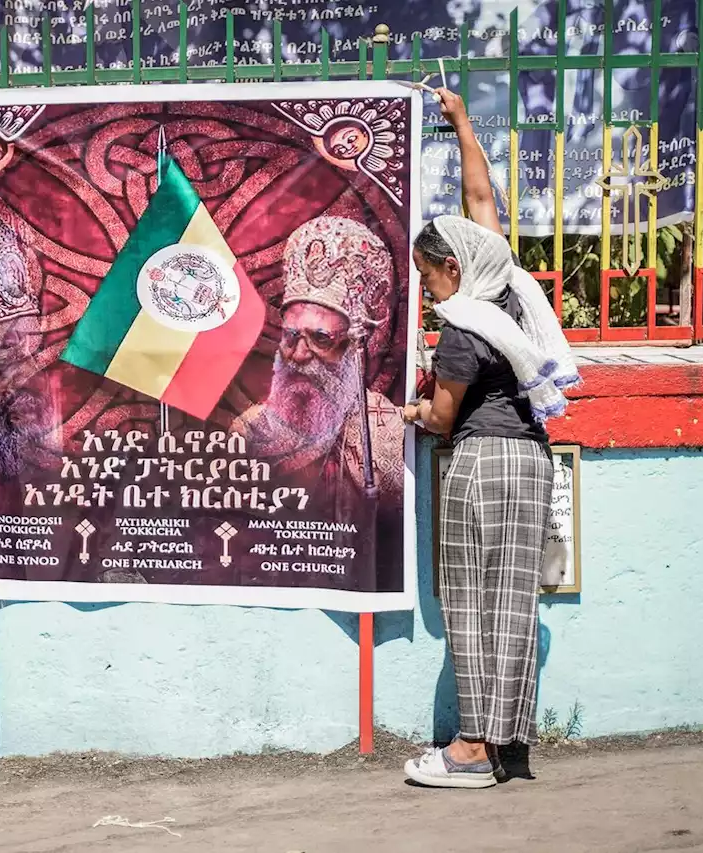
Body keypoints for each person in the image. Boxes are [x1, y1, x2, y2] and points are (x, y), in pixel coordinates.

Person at [401, 90, 579, 790]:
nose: (426, 286)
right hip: (531, 459)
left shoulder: (463, 322)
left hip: (479, 461)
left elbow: (444, 418)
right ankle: (509, 744)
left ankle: (470, 748)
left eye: (426, 274)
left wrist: (408, 411)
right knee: (513, 601)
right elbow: (481, 198)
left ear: (451, 266)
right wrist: (463, 123)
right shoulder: (506, 284)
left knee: (469, 602)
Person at [231, 216, 407, 510]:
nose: (299, 355)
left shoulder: (386, 428)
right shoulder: (251, 431)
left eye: (321, 338)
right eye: (290, 336)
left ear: (353, 346)